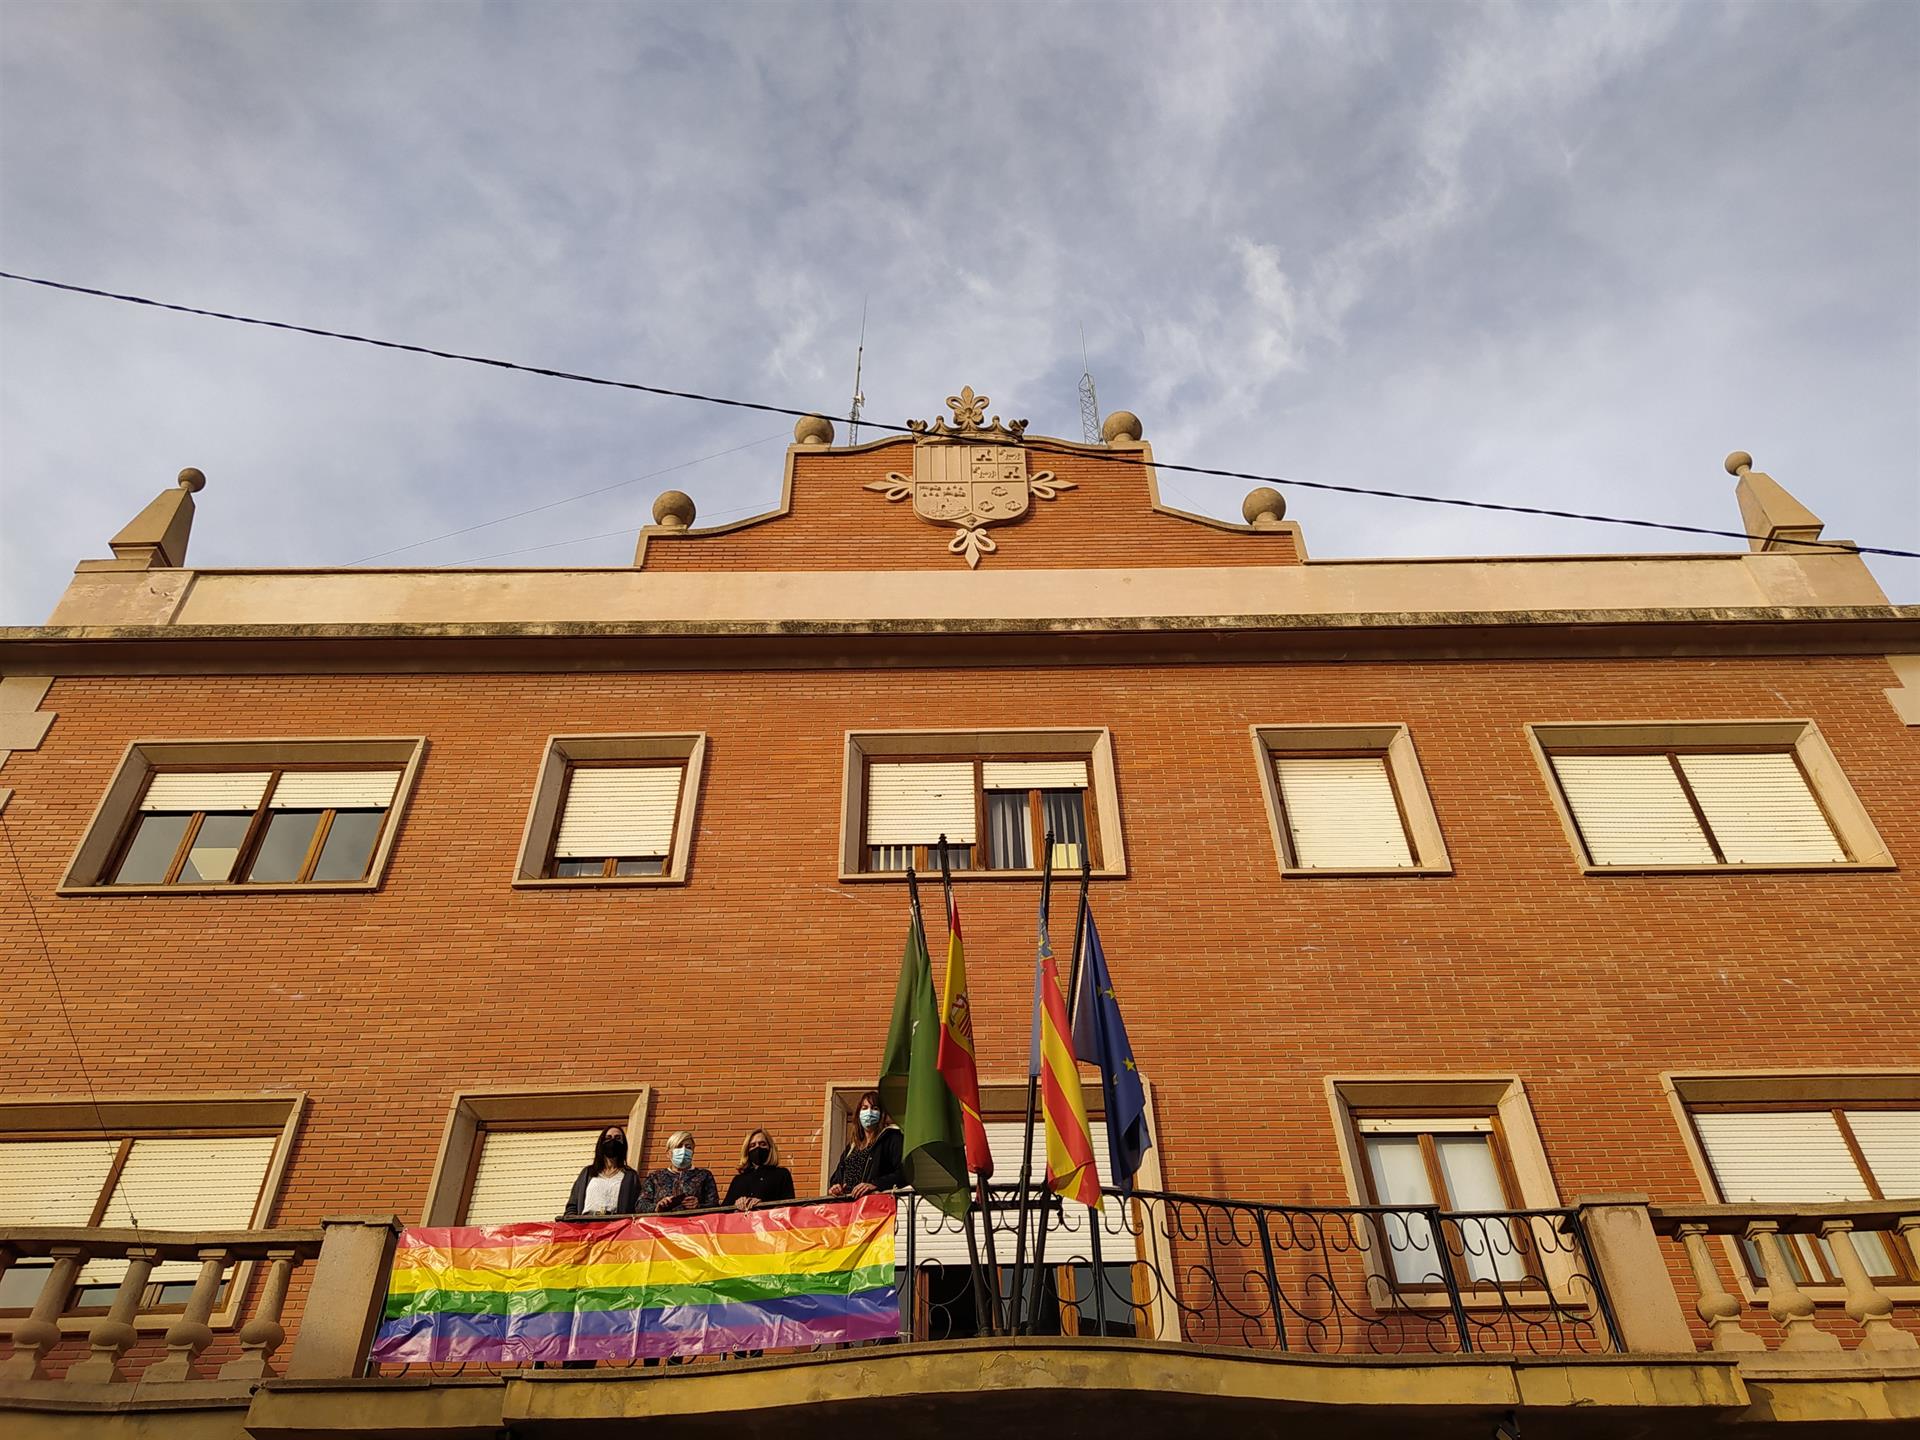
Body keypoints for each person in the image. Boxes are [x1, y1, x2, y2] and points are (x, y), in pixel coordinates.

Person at [828, 1091, 904, 1196]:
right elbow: (837, 1177)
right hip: (849, 1207)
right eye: (864, 1108)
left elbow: (904, 1174)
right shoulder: (852, 1147)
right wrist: (835, 1187)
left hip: (876, 1205)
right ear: (858, 1114)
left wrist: (875, 1184)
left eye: (875, 1108)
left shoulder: (892, 1138)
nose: (869, 1112)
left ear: (882, 1114)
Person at [636, 1129, 719, 1213]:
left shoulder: (704, 1175)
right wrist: (657, 1207)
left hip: (693, 1224)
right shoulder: (655, 1177)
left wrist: (699, 1206)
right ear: (668, 1153)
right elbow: (640, 1205)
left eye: (688, 1147)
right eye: (678, 1146)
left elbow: (715, 1206)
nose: (683, 1151)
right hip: (662, 1225)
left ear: (693, 1152)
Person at [565, 1125, 639, 1216]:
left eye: (618, 1138)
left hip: (616, 1226)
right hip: (587, 1225)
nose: (612, 1141)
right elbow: (572, 1205)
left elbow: (636, 1207)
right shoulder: (587, 1173)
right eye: (608, 1138)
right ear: (601, 1143)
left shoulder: (631, 1176)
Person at [724, 1127, 796, 1210]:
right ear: (747, 1151)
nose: (757, 1148)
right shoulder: (738, 1180)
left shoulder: (781, 1174)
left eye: (762, 1144)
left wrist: (763, 1205)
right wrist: (736, 1204)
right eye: (752, 1145)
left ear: (770, 1148)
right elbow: (723, 1211)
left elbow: (789, 1208)